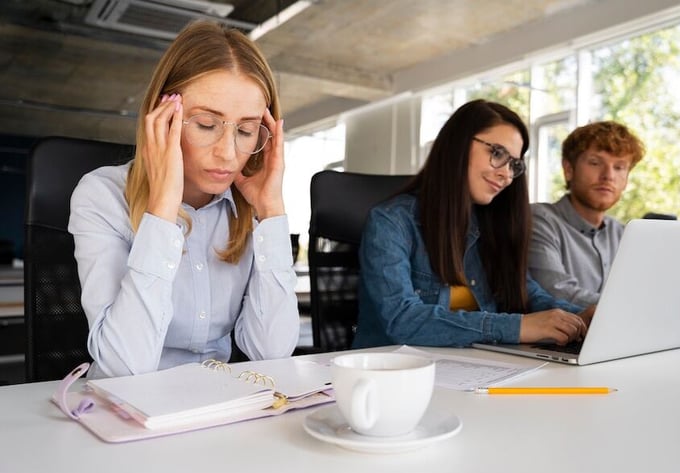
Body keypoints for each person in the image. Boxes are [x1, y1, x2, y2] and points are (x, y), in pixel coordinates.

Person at [69, 21, 299, 379]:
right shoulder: (101, 195)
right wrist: (161, 211)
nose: (227, 152)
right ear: (163, 118)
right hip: (124, 412)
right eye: (207, 124)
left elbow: (270, 352)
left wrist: (272, 212)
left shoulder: (248, 205)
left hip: (216, 402)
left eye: (245, 130)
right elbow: (123, 367)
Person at [352, 99, 590, 350]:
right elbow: (402, 320)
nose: (507, 174)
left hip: (471, 366)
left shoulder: (491, 224)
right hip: (394, 372)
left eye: (514, 164)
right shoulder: (391, 222)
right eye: (497, 153)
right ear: (458, 145)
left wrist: (582, 316)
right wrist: (518, 327)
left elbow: (529, 294)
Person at [527, 121, 644, 307]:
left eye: (620, 167)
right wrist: (641, 307)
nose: (608, 176)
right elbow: (557, 292)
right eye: (595, 163)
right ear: (568, 170)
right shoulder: (539, 220)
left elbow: (644, 291)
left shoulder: (624, 234)